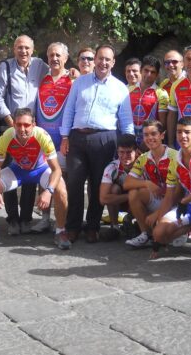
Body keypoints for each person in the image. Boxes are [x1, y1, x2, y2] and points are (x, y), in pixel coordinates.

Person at [61, 44, 134, 243]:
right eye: (99, 58)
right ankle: (73, 227)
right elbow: (69, 110)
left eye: (107, 59)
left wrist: (128, 147)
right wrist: (65, 137)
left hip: (105, 139)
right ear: (95, 59)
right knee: (74, 183)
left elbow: (126, 120)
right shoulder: (79, 83)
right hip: (77, 137)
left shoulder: (120, 88)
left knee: (97, 185)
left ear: (113, 62)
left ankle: (92, 227)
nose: (103, 63)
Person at [0, 108, 71, 250]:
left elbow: (56, 169)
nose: (22, 129)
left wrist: (48, 191)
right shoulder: (7, 136)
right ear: (13, 124)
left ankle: (60, 232)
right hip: (18, 171)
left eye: (27, 125)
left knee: (61, 190)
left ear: (33, 124)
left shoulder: (42, 135)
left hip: (41, 170)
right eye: (19, 125)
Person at [0, 35, 49, 234]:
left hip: (33, 130)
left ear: (33, 49)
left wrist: (74, 72)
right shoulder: (6, 67)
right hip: (12, 128)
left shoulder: (40, 66)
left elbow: (56, 74)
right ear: (13, 48)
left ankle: (26, 218)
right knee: (8, 170)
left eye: (27, 48)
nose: (23, 51)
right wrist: (13, 125)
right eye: (19, 48)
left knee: (29, 174)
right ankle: (12, 220)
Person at [149, 117, 191, 256]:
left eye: (187, 132)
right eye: (179, 132)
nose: (182, 136)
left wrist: (185, 200)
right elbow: (169, 195)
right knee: (159, 233)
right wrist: (159, 221)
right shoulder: (175, 160)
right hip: (190, 207)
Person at [32, 42, 73, 233]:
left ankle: (61, 221)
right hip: (42, 138)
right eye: (51, 56)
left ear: (65, 58)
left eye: (58, 55)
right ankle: (44, 218)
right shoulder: (41, 78)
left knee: (62, 180)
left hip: (63, 139)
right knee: (44, 176)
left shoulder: (72, 80)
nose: (54, 59)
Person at [123, 120, 176, 249]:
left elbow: (179, 192)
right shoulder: (143, 158)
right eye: (146, 135)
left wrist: (158, 213)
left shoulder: (175, 156)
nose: (150, 138)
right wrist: (147, 183)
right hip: (159, 199)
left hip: (174, 202)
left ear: (162, 135)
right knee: (134, 193)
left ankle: (177, 231)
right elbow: (127, 183)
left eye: (153, 134)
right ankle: (145, 234)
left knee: (165, 237)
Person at [97, 134, 138, 241]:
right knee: (114, 189)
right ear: (117, 152)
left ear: (136, 152)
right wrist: (130, 196)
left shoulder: (145, 164)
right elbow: (103, 199)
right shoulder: (112, 167)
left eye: (129, 152)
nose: (125, 156)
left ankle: (138, 224)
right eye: (121, 152)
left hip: (142, 200)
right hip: (126, 200)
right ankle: (114, 227)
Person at [127, 55, 168, 149]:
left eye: (153, 72)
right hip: (130, 138)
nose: (149, 74)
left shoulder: (161, 93)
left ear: (157, 75)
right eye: (146, 70)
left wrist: (148, 140)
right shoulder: (128, 90)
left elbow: (162, 123)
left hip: (149, 141)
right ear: (141, 70)